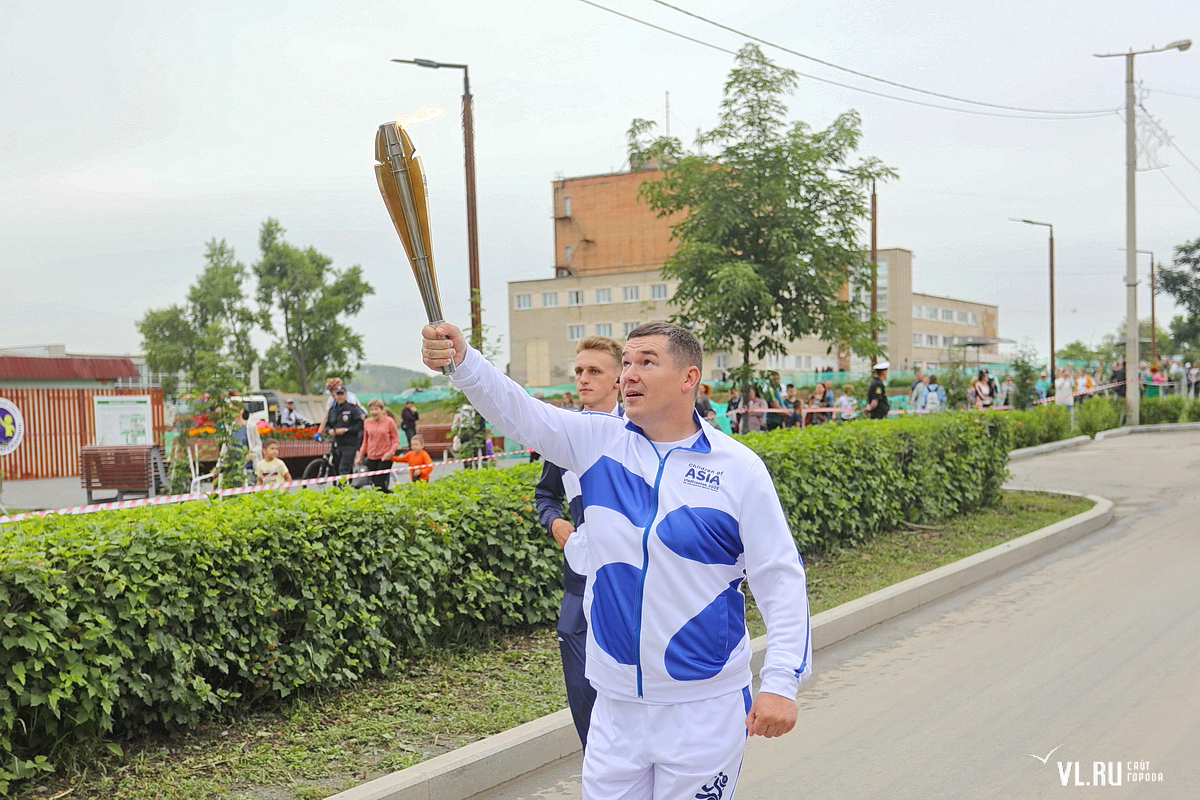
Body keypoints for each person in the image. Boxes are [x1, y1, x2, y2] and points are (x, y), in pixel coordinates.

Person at [421, 320, 811, 800]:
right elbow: (519, 412)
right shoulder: (597, 442)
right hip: (616, 704)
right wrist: (463, 360)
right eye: (626, 362)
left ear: (689, 378)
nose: (629, 374)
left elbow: (780, 578)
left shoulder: (738, 470)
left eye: (647, 362)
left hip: (703, 708)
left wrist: (781, 681)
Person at [535, 335, 624, 749]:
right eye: (579, 371)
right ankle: (599, 766)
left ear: (619, 378)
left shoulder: (639, 431)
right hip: (579, 576)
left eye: (594, 371)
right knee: (581, 684)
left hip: (627, 578)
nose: (583, 379)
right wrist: (556, 525)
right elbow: (545, 494)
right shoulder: (565, 434)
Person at [357, 398, 401, 493]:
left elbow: (396, 440)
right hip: (372, 457)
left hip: (385, 457)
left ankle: (390, 498)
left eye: (376, 409)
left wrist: (390, 452)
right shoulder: (367, 422)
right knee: (375, 485)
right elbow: (366, 441)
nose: (374, 412)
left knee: (379, 483)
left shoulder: (389, 422)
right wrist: (360, 456)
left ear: (382, 410)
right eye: (372, 409)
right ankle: (389, 497)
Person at [323, 386, 365, 479]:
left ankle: (342, 491)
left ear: (345, 395)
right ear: (335, 395)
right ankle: (349, 488)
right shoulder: (333, 410)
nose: (340, 396)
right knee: (345, 469)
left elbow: (360, 425)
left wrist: (346, 430)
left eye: (342, 394)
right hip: (338, 444)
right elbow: (328, 425)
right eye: (338, 394)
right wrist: (329, 431)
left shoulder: (352, 409)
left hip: (350, 443)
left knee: (343, 469)